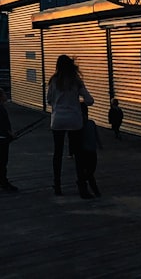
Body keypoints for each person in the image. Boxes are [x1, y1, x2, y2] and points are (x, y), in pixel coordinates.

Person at [46, 54, 94, 198]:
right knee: (79, 154)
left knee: (57, 153)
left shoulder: (53, 80)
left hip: (58, 120)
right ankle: (82, 187)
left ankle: (57, 185)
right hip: (74, 120)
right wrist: (79, 103)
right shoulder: (76, 81)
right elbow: (90, 100)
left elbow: (49, 100)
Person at [0, 88, 18, 192]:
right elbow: (4, 124)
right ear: (1, 97)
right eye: (4, 94)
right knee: (3, 161)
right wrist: (11, 134)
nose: (6, 95)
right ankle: (3, 182)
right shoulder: (1, 109)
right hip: (3, 139)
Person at [79, 104, 101, 197]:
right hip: (86, 152)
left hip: (91, 151)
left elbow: (96, 135)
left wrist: (99, 144)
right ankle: (95, 191)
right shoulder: (80, 126)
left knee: (91, 170)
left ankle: (82, 180)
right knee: (90, 172)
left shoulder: (90, 123)